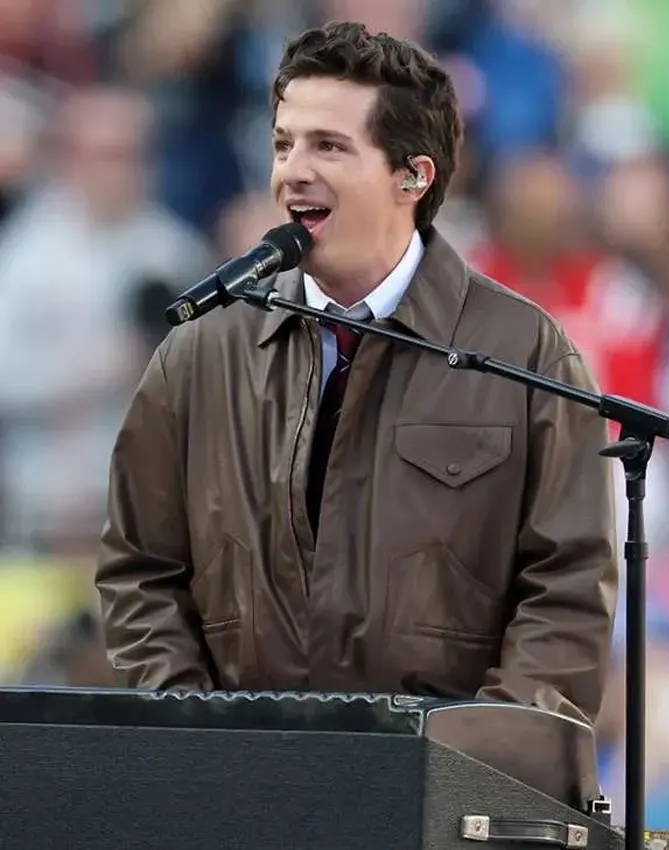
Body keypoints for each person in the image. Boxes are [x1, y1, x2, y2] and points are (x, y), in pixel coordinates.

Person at [95, 22, 617, 726]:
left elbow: (567, 595)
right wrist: (197, 735)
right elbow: (141, 573)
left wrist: (467, 758)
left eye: (329, 146)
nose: (292, 171)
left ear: (413, 176)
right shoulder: (199, 354)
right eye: (283, 144)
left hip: (442, 784)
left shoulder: (528, 355)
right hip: (239, 777)